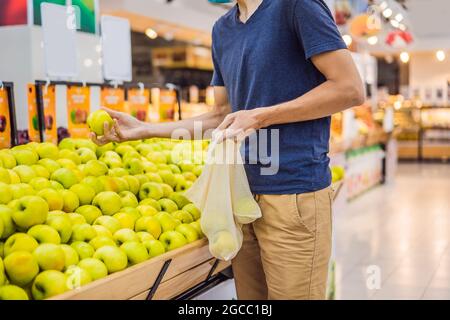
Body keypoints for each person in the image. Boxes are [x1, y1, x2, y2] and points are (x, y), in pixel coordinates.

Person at [91, 0, 364, 300]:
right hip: (240, 196)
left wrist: (260, 116)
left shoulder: (296, 6)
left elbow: (349, 88)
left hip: (293, 195)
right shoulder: (222, 29)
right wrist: (143, 129)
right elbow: (221, 114)